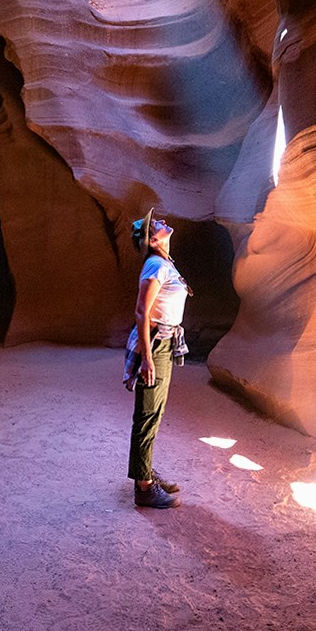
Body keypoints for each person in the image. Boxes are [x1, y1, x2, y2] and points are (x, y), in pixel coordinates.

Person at [123, 207, 190, 509]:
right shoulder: (154, 265)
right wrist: (147, 358)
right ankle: (144, 487)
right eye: (156, 224)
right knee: (148, 412)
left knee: (155, 412)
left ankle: (145, 470)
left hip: (164, 340)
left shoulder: (164, 263)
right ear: (152, 240)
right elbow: (141, 311)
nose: (163, 221)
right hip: (156, 344)